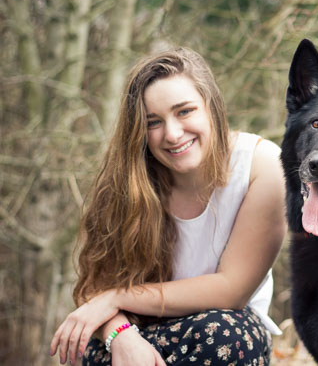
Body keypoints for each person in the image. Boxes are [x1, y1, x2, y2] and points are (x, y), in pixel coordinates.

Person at [49, 47, 286, 365]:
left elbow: (232, 290)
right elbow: (95, 287)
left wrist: (117, 296)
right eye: (153, 122)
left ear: (211, 106)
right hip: (138, 335)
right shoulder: (127, 180)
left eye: (185, 111)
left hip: (221, 339)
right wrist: (121, 335)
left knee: (227, 334)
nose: (172, 134)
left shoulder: (262, 165)